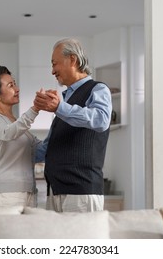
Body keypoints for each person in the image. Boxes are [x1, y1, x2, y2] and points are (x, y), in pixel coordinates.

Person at [34, 38, 112, 213]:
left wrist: (59, 107)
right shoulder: (66, 100)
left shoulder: (97, 89)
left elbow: (101, 119)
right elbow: (48, 147)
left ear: (72, 59)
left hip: (81, 192)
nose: (52, 70)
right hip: (55, 191)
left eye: (55, 64)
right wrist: (13, 146)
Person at [0, 64, 42, 209]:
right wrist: (35, 109)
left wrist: (62, 120)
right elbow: (9, 133)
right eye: (10, 85)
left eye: (15, 84)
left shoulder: (17, 124)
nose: (17, 89)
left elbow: (40, 150)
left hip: (28, 192)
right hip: (6, 194)